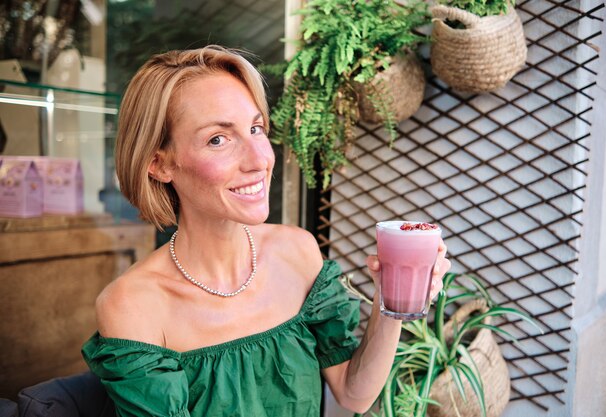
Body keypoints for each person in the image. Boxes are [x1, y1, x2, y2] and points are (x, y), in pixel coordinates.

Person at [82, 45, 451, 417]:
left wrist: (389, 304)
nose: (260, 159)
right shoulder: (133, 305)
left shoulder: (298, 252)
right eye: (218, 139)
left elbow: (354, 394)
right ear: (160, 164)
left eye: (256, 128)